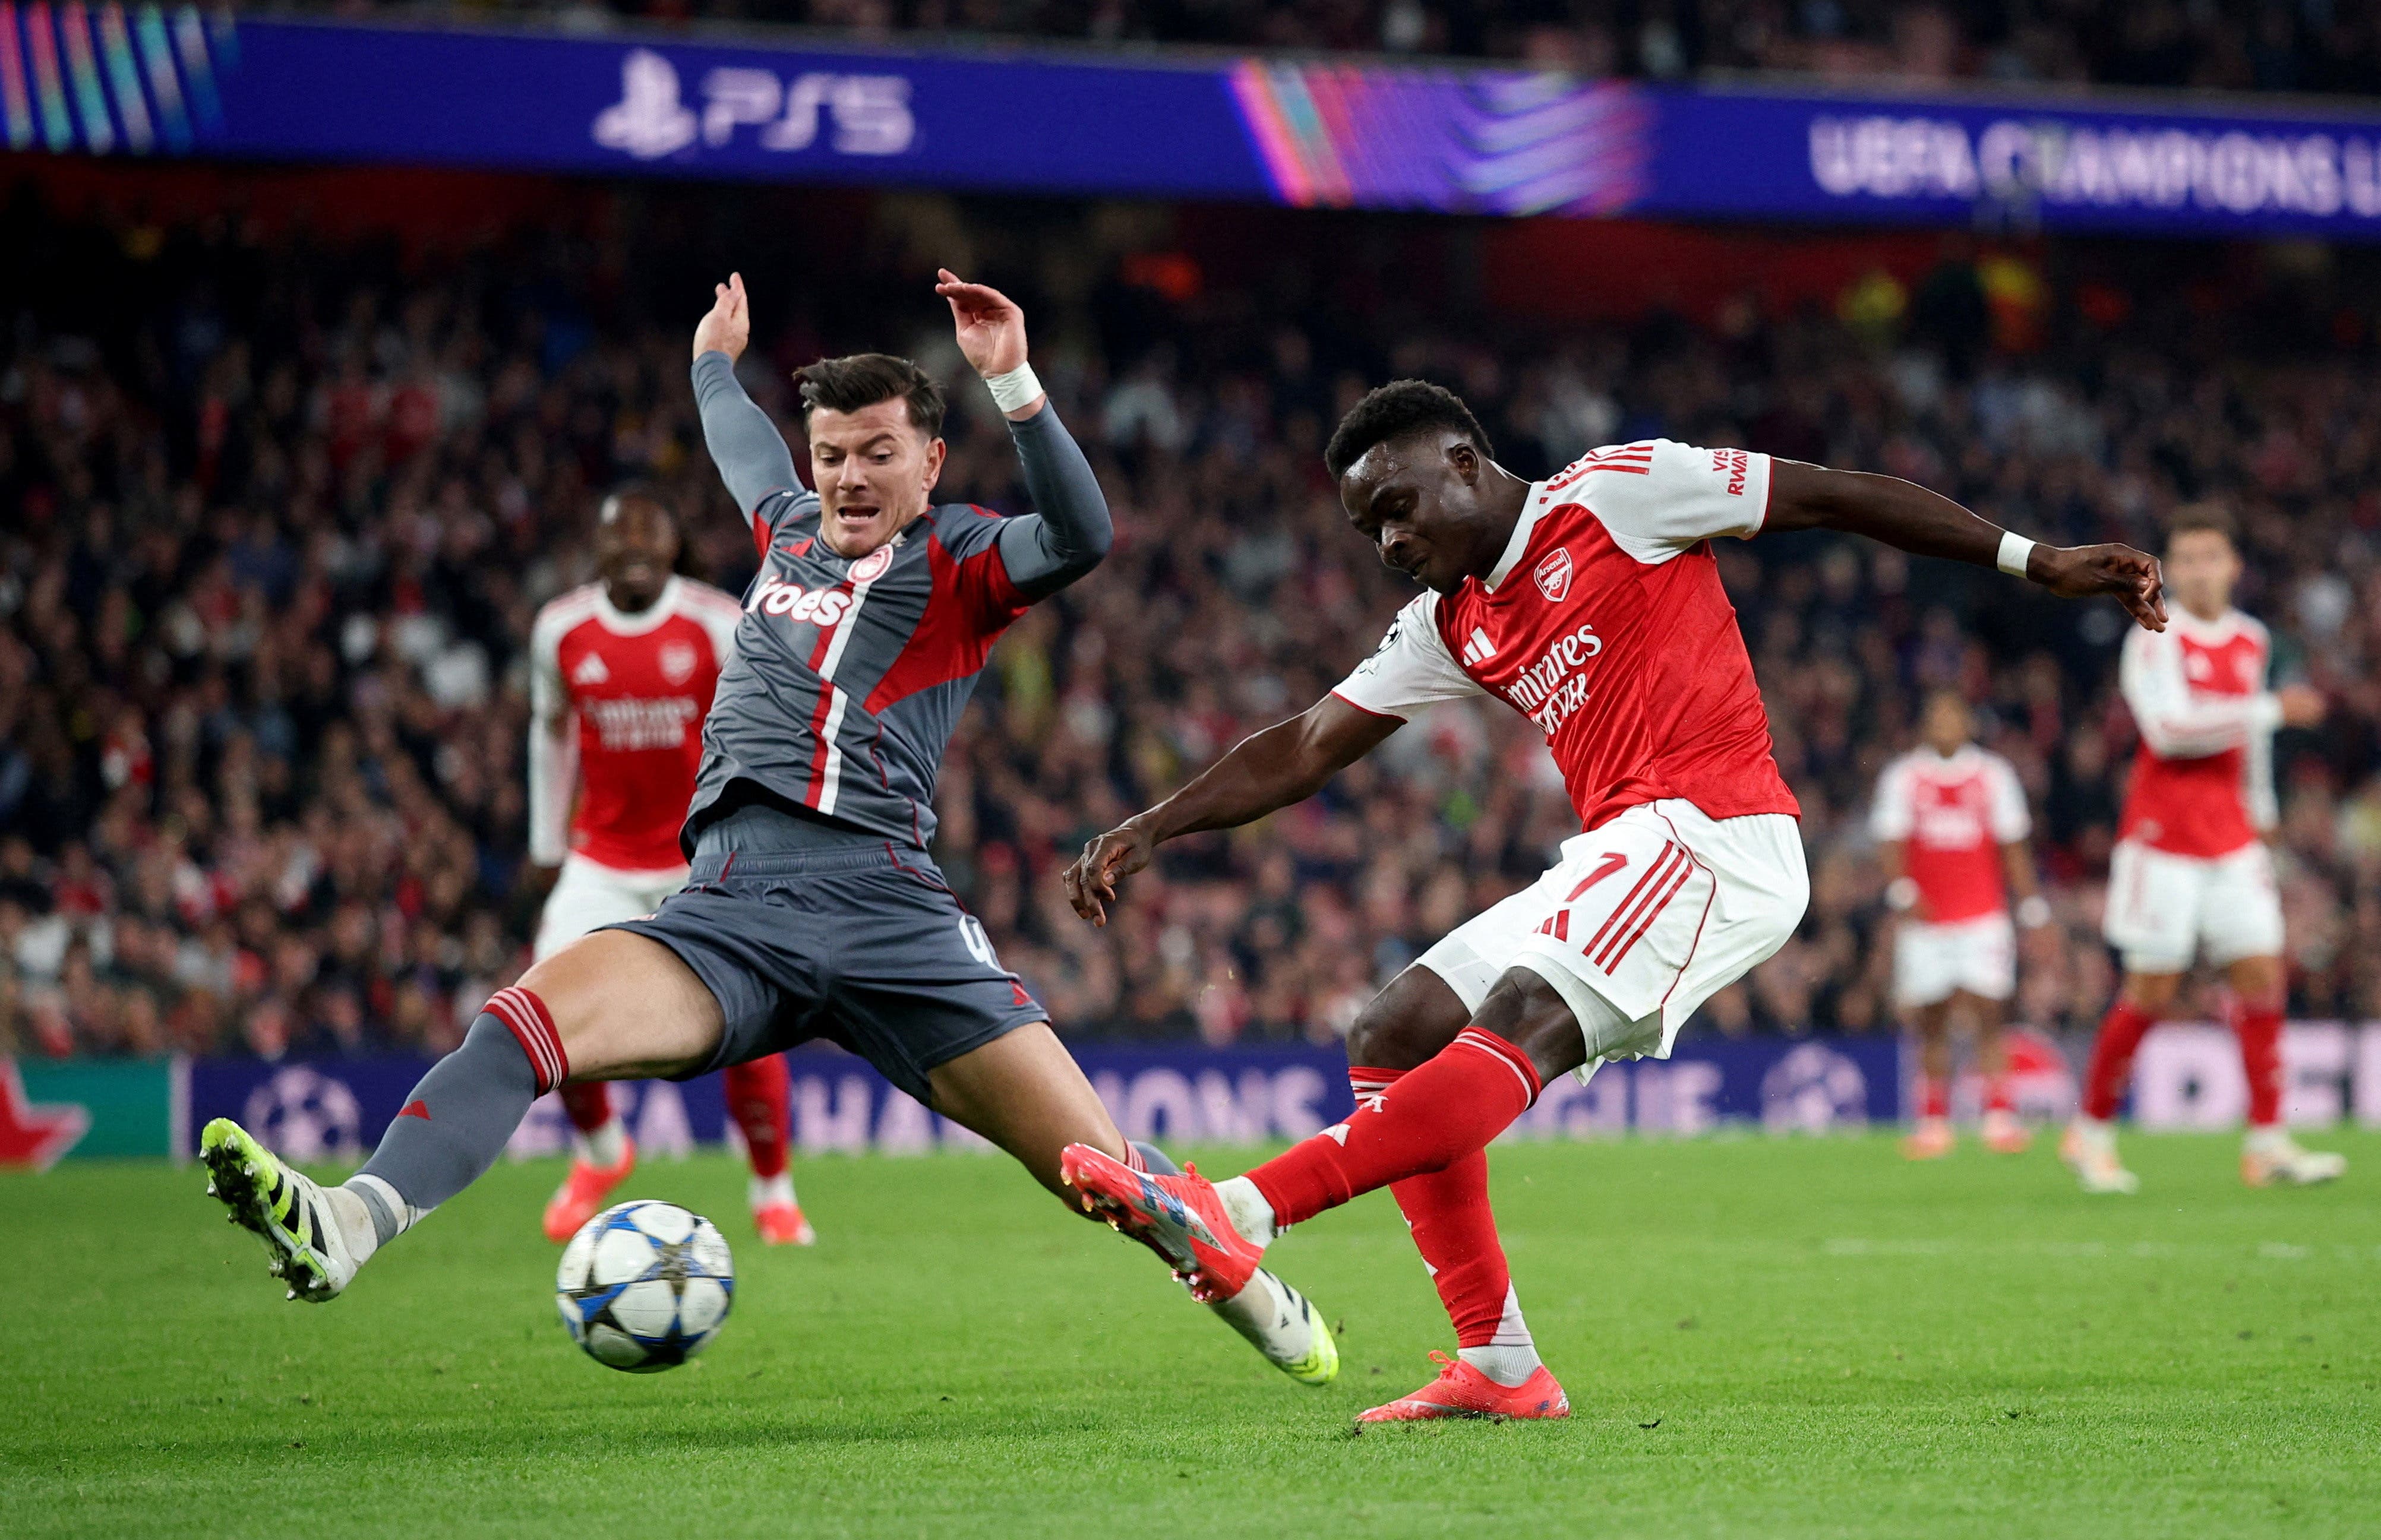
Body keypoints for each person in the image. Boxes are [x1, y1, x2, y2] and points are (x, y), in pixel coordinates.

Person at [197, 270, 1338, 1389]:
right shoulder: (786, 525)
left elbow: (1083, 534)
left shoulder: (965, 557)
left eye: (877, 453)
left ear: (929, 462)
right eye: (832, 453)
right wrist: (709, 357)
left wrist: (1016, 380)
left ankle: (1241, 1279)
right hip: (730, 906)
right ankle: (349, 1220)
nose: (846, 476)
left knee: (1098, 1172)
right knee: (519, 1020)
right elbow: (734, 435)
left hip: (887, 909)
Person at [1057, 380, 2162, 1423]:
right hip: (1622, 847)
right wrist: (1150, 825)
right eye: (1369, 532)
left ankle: (1240, 1209)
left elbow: (1831, 492)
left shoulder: (1617, 493)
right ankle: (1497, 1362)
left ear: (1463, 460)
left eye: (1396, 508)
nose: (1390, 542)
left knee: (1523, 1009)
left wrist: (2033, 559)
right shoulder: (1451, 621)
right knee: (1391, 1027)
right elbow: (1303, 744)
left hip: (1717, 835)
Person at [525, 485, 810, 1247]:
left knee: (749, 1019)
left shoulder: (716, 623)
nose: (636, 551)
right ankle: (601, 1153)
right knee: (546, 1009)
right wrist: (547, 846)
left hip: (706, 858)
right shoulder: (561, 630)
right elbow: (549, 732)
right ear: (600, 549)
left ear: (672, 545)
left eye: (651, 537)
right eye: (621, 538)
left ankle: (773, 1192)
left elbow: (770, 726)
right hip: (602, 858)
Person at [2062, 504, 2345, 1194]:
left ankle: (2268, 1143)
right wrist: (2271, 709)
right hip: (2162, 843)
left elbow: (2250, 747)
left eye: (2209, 557)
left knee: (2261, 979)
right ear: (2170, 568)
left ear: (2233, 566)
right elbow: (2169, 730)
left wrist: (2266, 814)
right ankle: (2091, 1132)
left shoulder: (2252, 639)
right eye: (2184, 559)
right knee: (2151, 991)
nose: (2197, 570)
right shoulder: (2154, 632)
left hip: (2234, 840)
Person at [1870, 688, 2055, 1159]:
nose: (1946, 724)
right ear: (1926, 724)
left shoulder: (1993, 775)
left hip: (1982, 917)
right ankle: (1934, 1123)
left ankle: (1999, 1117)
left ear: (1968, 723)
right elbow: (1891, 843)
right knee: (1930, 1020)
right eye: (1937, 716)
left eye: (1954, 716)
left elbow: (2012, 845)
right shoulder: (1904, 776)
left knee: (1989, 1015)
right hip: (1927, 923)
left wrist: (2032, 905)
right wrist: (1902, 892)